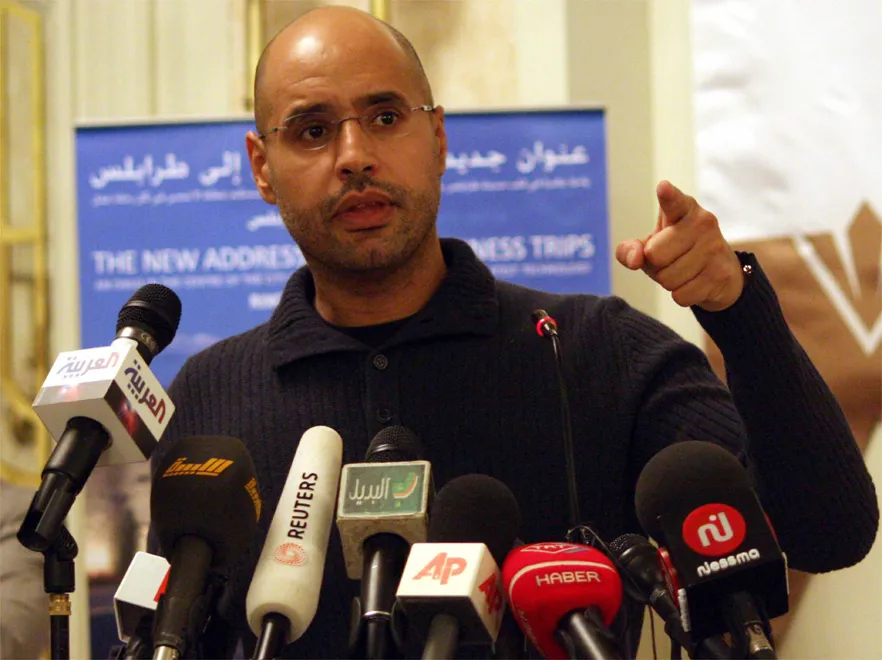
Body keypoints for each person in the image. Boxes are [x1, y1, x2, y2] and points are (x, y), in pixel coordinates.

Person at [149, 6, 878, 658]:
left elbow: (830, 532)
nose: (354, 156)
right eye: (313, 130)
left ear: (438, 138)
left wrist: (738, 312)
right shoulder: (211, 399)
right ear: (262, 168)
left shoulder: (599, 350)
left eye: (386, 117)